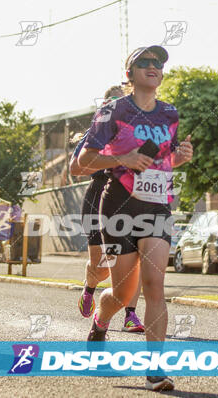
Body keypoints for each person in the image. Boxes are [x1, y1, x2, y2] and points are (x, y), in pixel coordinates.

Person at [78, 46, 193, 391]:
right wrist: (122, 158)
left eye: (158, 63)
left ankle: (155, 368)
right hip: (118, 206)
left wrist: (180, 157)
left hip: (157, 204)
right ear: (129, 74)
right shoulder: (114, 111)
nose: (153, 67)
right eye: (145, 63)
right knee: (122, 291)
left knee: (155, 286)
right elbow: (84, 160)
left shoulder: (169, 113)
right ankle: (101, 321)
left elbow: (163, 160)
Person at [69, 85, 144, 333]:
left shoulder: (140, 130)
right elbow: (75, 169)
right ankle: (90, 287)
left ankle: (130, 315)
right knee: (101, 268)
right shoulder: (97, 131)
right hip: (99, 196)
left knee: (136, 262)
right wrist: (112, 159)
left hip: (132, 197)